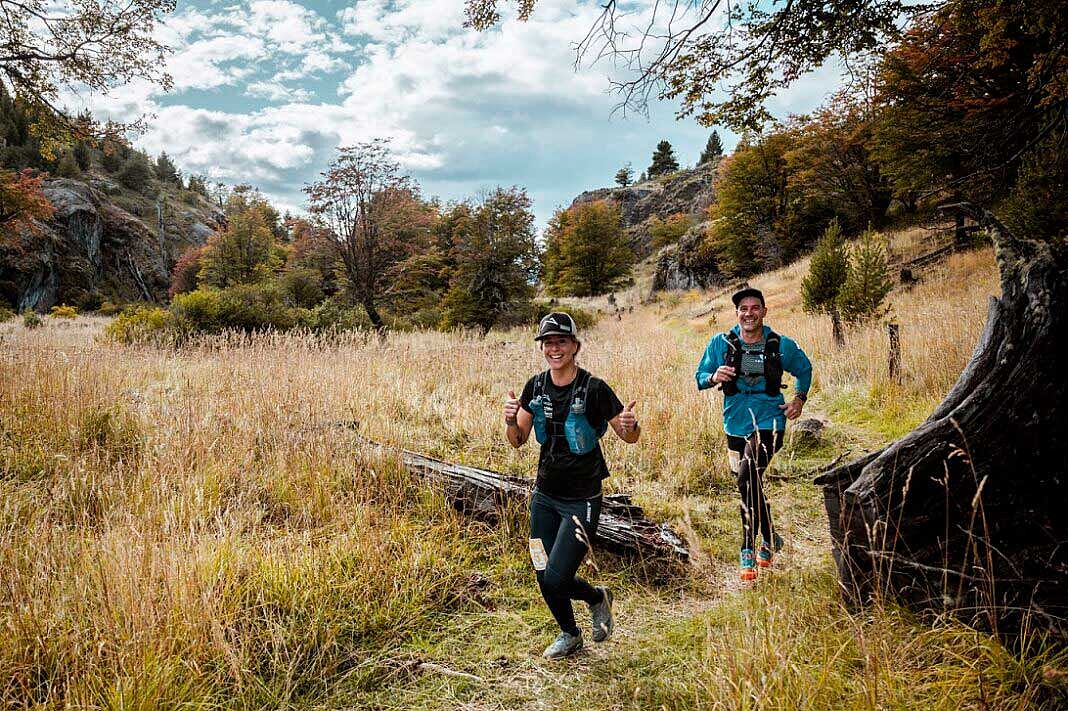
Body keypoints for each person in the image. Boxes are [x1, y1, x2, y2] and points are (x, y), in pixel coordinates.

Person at [504, 311, 640, 659]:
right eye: (548, 343)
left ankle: (597, 598)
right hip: (545, 496)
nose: (554, 348)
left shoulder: (594, 388)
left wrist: (631, 424)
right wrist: (508, 420)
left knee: (556, 577)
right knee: (540, 568)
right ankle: (570, 634)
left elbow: (630, 437)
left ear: (575, 345)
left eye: (561, 341)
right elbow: (517, 439)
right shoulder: (535, 386)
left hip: (582, 499)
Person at [695, 287, 812, 581]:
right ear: (737, 314)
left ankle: (748, 548)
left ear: (764, 311)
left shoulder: (780, 345)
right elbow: (699, 378)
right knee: (748, 482)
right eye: (743, 309)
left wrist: (799, 400)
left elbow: (805, 369)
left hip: (770, 421)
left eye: (755, 307)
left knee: (748, 476)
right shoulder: (720, 343)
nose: (749, 313)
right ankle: (771, 535)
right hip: (734, 422)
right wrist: (713, 377)